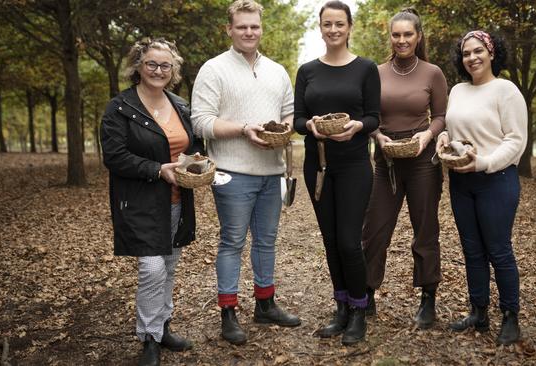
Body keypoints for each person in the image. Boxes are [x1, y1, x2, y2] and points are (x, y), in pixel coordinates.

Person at [191, 0, 300, 346]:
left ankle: (265, 304)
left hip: (272, 171)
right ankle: (228, 311)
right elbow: (201, 122)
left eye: (254, 26)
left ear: (261, 28)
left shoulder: (278, 71)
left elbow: (290, 115)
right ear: (230, 29)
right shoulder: (213, 69)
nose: (249, 32)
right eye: (242, 27)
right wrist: (243, 129)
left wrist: (282, 131)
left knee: (266, 241)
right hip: (232, 173)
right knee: (232, 242)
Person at [101, 38, 203, 366]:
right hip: (141, 201)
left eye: (165, 66)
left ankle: (163, 327)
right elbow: (115, 157)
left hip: (176, 200)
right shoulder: (120, 107)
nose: (158, 71)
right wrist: (159, 170)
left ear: (172, 70)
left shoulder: (180, 105)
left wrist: (194, 162)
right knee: (152, 267)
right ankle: (148, 337)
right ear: (138, 67)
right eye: (151, 64)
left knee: (169, 267)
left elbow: (190, 143)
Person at [293, 0, 381, 346]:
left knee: (348, 240)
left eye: (339, 24)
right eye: (327, 24)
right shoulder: (307, 70)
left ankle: (360, 310)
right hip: (318, 166)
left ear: (349, 27)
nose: (333, 30)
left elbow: (374, 117)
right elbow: (299, 119)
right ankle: (341, 306)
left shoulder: (365, 68)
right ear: (320, 28)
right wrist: (312, 126)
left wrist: (358, 125)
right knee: (330, 241)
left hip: (354, 165)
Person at [437, 30, 527, 345]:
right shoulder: (458, 90)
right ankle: (479, 312)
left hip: (496, 180)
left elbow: (516, 141)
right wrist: (443, 138)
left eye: (479, 51)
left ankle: (510, 317)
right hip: (461, 180)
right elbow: (451, 127)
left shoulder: (506, 90)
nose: (472, 58)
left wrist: (484, 163)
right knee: (472, 250)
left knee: (498, 250)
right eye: (466, 53)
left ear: (491, 53)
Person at [361, 8, 448, 329]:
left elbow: (440, 115)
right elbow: (368, 114)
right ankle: (366, 293)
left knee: (425, 228)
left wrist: (427, 135)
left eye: (407, 34)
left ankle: (428, 298)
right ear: (391, 37)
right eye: (396, 35)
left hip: (423, 159)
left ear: (418, 37)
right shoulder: (375, 72)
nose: (401, 40)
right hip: (385, 159)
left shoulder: (433, 73)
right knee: (375, 228)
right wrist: (378, 136)